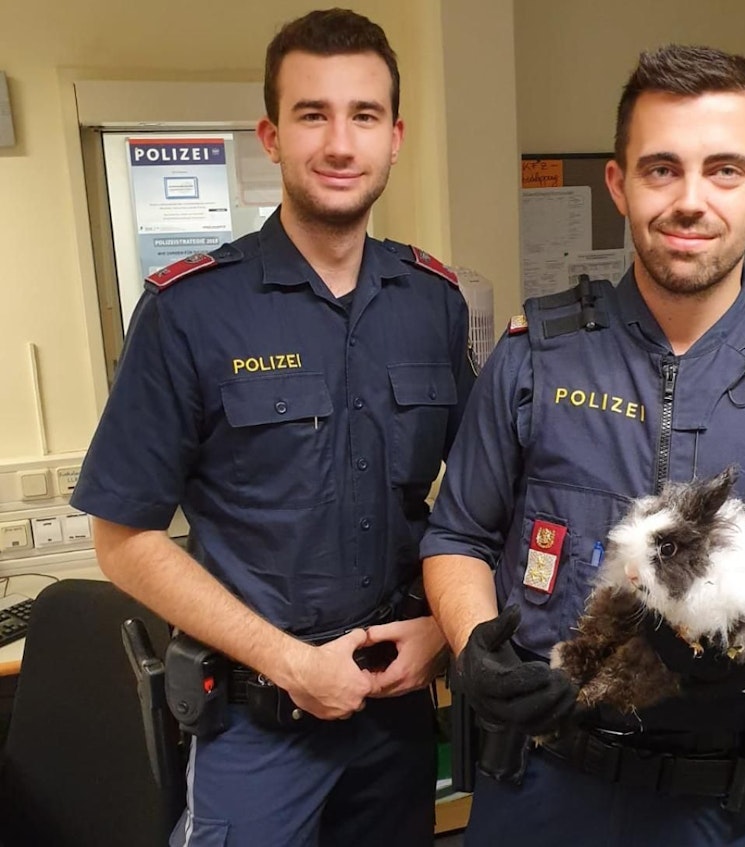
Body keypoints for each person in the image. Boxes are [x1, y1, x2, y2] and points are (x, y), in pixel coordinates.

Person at [421, 44, 745, 847]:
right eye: (661, 169)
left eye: (724, 169)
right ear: (619, 183)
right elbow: (457, 536)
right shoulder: (534, 357)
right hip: (540, 785)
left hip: (713, 805)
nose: (691, 200)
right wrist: (475, 641)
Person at [71, 8, 475, 846]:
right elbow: (123, 536)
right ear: (271, 134)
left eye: (363, 116)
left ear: (394, 137)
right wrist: (290, 661)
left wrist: (442, 629)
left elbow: (479, 505)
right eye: (312, 114)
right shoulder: (191, 312)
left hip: (394, 714)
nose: (339, 142)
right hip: (258, 722)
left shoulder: (433, 303)